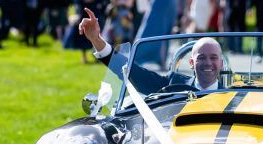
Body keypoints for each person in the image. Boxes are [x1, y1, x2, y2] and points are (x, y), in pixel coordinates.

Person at [79, 7, 224, 93]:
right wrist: (97, 40)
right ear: (191, 63)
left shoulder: (234, 94)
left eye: (213, 57)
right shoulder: (174, 84)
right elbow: (131, 71)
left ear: (221, 63)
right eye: (201, 58)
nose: (208, 63)